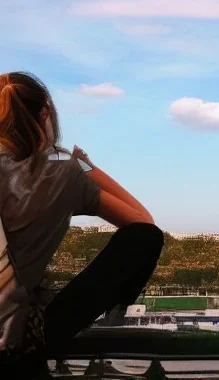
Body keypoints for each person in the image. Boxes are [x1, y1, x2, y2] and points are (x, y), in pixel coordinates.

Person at [0, 72, 164, 378]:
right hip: (17, 348)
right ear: (44, 115)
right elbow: (144, 225)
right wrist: (86, 166)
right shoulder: (60, 177)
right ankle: (115, 316)